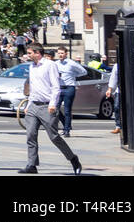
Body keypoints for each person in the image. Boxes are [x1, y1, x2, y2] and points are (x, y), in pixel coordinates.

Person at [20, 43, 81, 174]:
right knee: (30, 135)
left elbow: (55, 86)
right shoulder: (32, 66)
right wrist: (29, 104)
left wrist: (53, 104)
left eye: (30, 53)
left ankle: (73, 159)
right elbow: (33, 87)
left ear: (37, 53)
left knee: (54, 137)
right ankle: (32, 165)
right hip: (33, 106)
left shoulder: (50, 65)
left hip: (47, 106)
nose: (28, 55)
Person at [53, 46, 87, 136]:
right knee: (55, 108)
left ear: (66, 54)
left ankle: (67, 130)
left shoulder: (71, 63)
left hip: (69, 87)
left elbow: (84, 72)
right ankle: (65, 124)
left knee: (67, 110)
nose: (60, 55)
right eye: (59, 53)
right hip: (59, 88)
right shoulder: (55, 64)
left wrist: (73, 75)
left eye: (62, 53)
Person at [106, 60, 120, 135]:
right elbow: (113, 78)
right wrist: (109, 89)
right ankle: (118, 126)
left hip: (130, 91)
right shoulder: (116, 66)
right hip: (119, 90)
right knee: (117, 107)